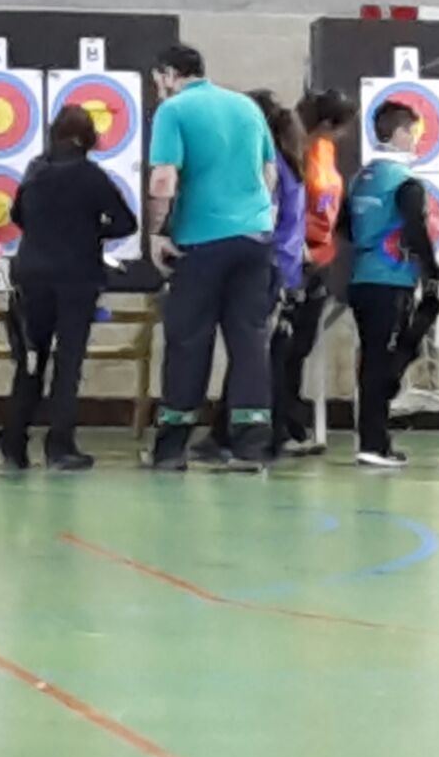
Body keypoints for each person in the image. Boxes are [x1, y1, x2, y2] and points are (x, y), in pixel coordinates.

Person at [145, 45, 278, 471]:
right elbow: (269, 174)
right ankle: (250, 446)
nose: (158, 89)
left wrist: (156, 233)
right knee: (249, 339)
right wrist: (251, 215)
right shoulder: (246, 106)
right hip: (255, 239)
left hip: (201, 240)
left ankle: (172, 449)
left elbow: (164, 179)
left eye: (158, 80)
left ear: (169, 74)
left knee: (189, 340)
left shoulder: (173, 110)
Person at [0, 106, 137, 472]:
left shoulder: (35, 171)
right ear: (87, 138)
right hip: (77, 277)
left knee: (31, 359)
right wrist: (92, 232)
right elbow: (126, 223)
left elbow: (16, 216)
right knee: (68, 361)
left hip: (31, 275)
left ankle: (14, 441)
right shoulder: (91, 176)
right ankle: (60, 447)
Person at [199, 89, 307, 462]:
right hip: (281, 265)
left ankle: (246, 435)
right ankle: (238, 433)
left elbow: (266, 215)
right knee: (259, 352)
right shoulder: (286, 158)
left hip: (266, 264)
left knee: (253, 354)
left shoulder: (266, 161)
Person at [347, 100, 439, 468]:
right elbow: (415, 229)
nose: (415, 140)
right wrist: (431, 272)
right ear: (400, 132)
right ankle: (374, 442)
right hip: (391, 279)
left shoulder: (363, 177)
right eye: (413, 132)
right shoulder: (405, 182)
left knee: (376, 356)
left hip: (362, 277)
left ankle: (375, 438)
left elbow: (345, 227)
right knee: (384, 361)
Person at [276, 88, 358, 452]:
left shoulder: (324, 149)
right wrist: (297, 244)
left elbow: (330, 202)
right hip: (296, 258)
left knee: (300, 347)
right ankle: (277, 427)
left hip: (320, 259)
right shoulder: (291, 150)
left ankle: (291, 423)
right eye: (342, 127)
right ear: (326, 123)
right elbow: (286, 203)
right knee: (283, 346)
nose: (344, 135)